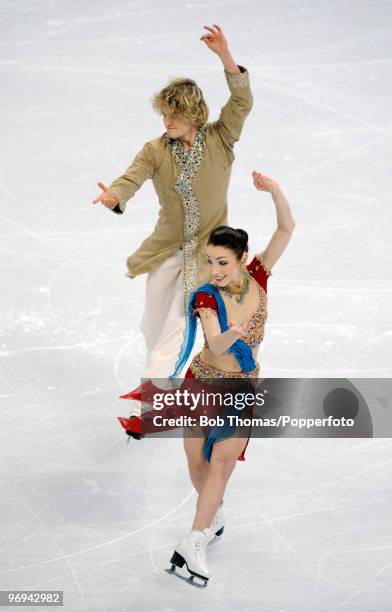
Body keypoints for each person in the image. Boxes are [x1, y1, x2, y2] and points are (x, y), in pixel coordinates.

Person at [119, 172, 295, 584]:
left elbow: (286, 229)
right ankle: (212, 518)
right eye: (209, 261)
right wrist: (234, 332)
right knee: (198, 465)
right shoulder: (204, 296)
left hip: (241, 391)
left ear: (242, 257)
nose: (214, 269)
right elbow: (215, 344)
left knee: (223, 463)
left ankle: (194, 540)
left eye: (223, 262)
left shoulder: (259, 275)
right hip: (202, 385)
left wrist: (275, 191)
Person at [92, 25, 254, 411]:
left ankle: (152, 403)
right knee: (152, 324)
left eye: (174, 114)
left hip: (206, 254)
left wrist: (225, 56)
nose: (167, 121)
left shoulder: (220, 138)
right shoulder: (155, 150)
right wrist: (115, 194)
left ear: (193, 113)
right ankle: (159, 382)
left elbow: (241, 100)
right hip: (166, 248)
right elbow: (132, 177)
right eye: (164, 114)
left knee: (176, 327)